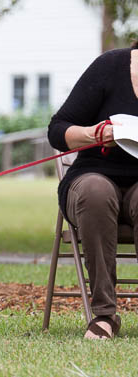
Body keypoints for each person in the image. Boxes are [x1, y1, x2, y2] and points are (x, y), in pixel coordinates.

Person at [48, 42, 138, 339]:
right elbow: (58, 129)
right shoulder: (111, 66)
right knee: (96, 192)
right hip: (93, 176)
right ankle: (104, 315)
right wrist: (95, 133)